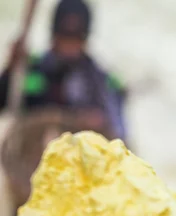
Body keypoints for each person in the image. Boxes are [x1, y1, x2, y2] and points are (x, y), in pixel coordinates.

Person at [0, 0, 127, 142]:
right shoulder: (30, 70)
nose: (69, 47)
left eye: (75, 39)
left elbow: (120, 133)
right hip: (30, 158)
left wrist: (99, 123)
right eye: (64, 38)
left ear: (85, 39)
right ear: (53, 35)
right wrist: (9, 70)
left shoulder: (105, 83)